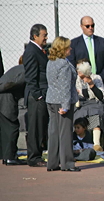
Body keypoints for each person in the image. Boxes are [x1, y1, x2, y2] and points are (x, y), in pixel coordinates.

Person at [46, 36, 80, 172]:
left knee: (53, 132)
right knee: (65, 133)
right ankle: (67, 163)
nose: (70, 49)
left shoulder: (51, 62)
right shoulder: (64, 65)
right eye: (68, 47)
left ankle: (52, 163)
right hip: (62, 102)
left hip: (51, 99)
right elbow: (65, 87)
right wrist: (65, 106)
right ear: (63, 49)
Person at [23, 24, 49, 167]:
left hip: (41, 95)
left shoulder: (39, 50)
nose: (46, 38)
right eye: (44, 35)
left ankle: (37, 154)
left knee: (40, 127)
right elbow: (31, 77)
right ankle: (34, 157)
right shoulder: (32, 51)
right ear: (35, 36)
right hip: (36, 97)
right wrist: (38, 95)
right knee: (35, 128)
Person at [68, 16, 104, 93]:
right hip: (82, 83)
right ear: (81, 26)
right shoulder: (74, 43)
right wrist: (83, 77)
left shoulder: (102, 42)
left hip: (101, 81)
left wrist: (100, 77)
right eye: (87, 26)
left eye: (92, 25)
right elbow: (72, 63)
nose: (90, 28)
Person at [74, 59, 104, 151]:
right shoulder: (75, 79)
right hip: (81, 104)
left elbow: (100, 96)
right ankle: (76, 143)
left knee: (94, 114)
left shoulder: (96, 78)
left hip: (94, 102)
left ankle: (96, 144)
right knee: (77, 116)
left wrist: (91, 83)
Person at [0, 58, 27, 165]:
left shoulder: (18, 68)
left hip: (4, 100)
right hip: (6, 101)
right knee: (12, 128)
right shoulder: (25, 71)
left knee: (6, 128)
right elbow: (11, 84)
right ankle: (10, 157)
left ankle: (6, 156)